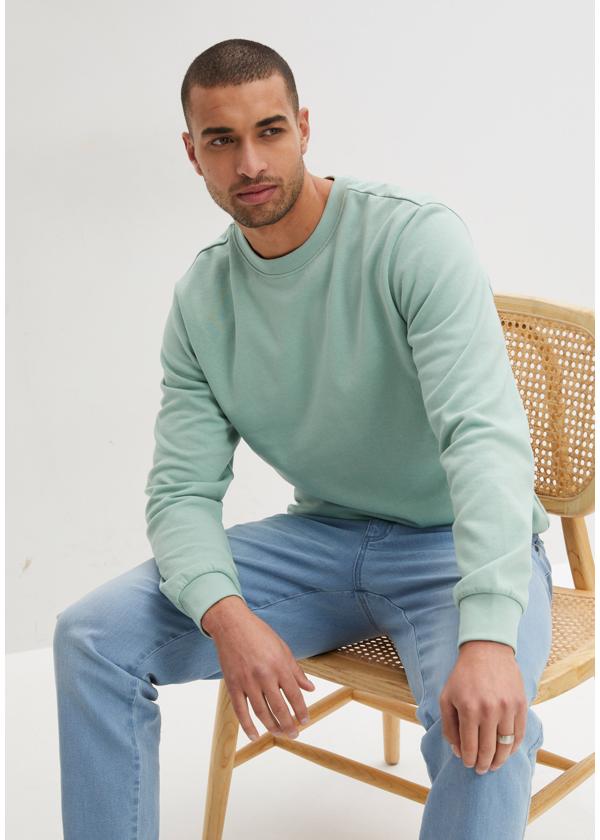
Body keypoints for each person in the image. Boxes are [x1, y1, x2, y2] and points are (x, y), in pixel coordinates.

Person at [53, 37, 554, 839]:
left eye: (270, 131)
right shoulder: (203, 299)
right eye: (222, 140)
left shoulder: (412, 240)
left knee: (486, 730)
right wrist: (227, 616)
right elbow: (181, 492)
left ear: (305, 127)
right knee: (90, 639)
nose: (250, 162)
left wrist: (491, 634)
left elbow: (483, 440)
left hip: (454, 545)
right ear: (192, 153)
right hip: (320, 541)